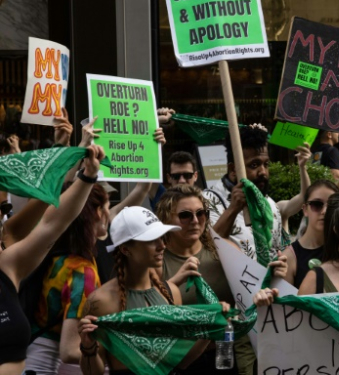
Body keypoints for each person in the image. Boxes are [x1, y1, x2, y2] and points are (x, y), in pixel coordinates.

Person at [76, 207, 224, 375]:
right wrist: (87, 348)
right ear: (125, 249)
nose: (162, 245)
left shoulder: (171, 292)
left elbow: (180, 362)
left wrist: (210, 328)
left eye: (162, 237)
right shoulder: (102, 301)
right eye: (151, 239)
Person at [156, 184, 286, 375]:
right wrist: (175, 281)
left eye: (201, 213)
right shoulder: (158, 260)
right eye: (185, 215)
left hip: (225, 351)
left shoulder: (223, 250)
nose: (195, 220)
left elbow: (249, 297)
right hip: (181, 361)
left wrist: (272, 278)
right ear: (166, 218)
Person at [0, 144, 105, 375]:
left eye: (3, 208)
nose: (1, 215)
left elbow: (53, 224)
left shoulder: (6, 267)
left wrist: (87, 177)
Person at [23, 183, 109, 375]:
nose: (110, 216)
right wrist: (119, 357)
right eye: (108, 208)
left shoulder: (55, 255)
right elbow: (70, 350)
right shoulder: (82, 271)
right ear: (97, 213)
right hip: (48, 367)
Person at [203, 124, 309, 260]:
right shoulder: (207, 202)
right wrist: (233, 209)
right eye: (254, 165)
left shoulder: (270, 205)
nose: (263, 172)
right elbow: (206, 250)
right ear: (233, 169)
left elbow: (276, 254)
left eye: (266, 164)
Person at [281, 180, 339, 289]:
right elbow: (284, 304)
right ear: (305, 210)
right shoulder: (289, 257)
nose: (325, 211)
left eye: (332, 205)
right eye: (317, 205)